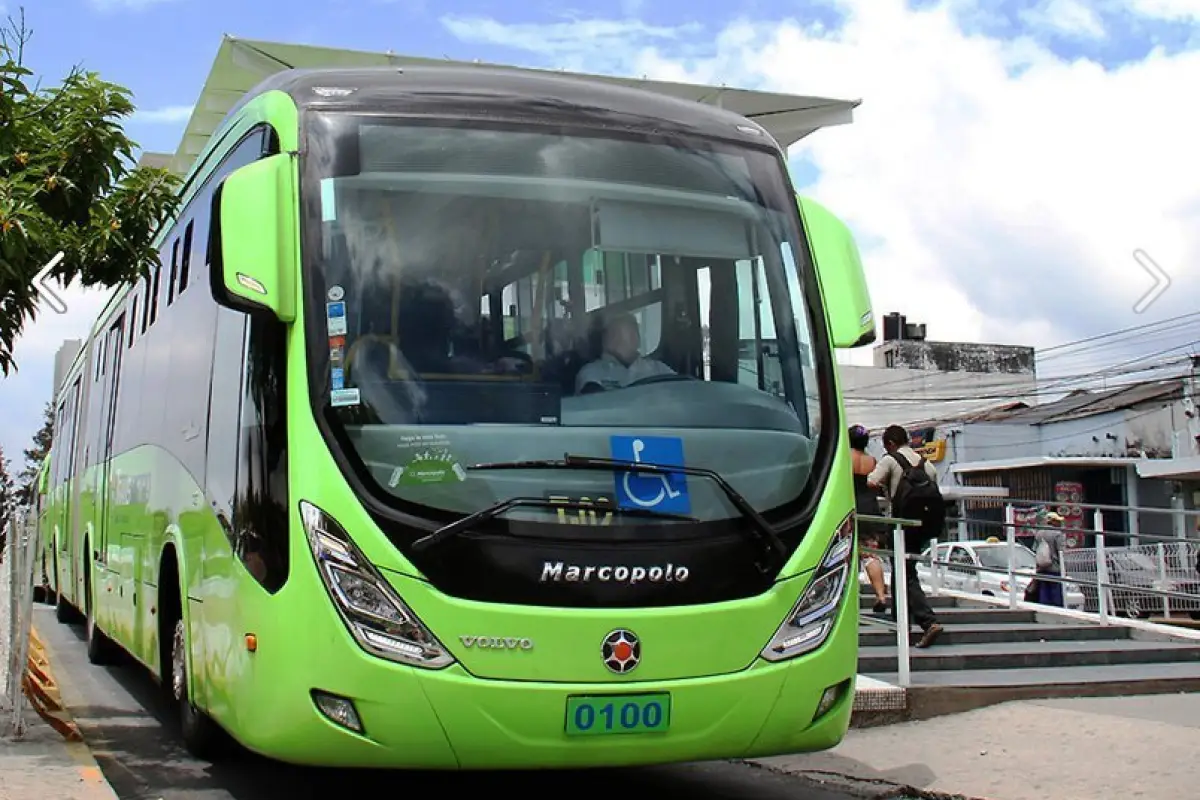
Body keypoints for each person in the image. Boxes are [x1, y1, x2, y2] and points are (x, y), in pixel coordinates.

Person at [867, 424, 944, 648]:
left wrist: (885, 491)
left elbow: (872, 480)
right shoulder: (926, 464)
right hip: (921, 526)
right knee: (904, 568)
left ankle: (928, 622)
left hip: (899, 525)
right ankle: (899, 618)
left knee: (905, 573)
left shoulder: (891, 460)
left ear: (889, 443)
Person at [574, 312, 675, 393]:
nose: (633, 337)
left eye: (634, 332)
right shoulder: (591, 373)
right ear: (607, 339)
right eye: (617, 333)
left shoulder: (658, 368)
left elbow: (681, 389)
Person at [849, 425, 889, 613]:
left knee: (845, 554)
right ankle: (880, 595)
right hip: (870, 509)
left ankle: (848, 597)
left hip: (850, 507)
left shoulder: (845, 458)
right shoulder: (871, 461)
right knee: (871, 555)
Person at [1030, 510, 1067, 607]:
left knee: (1044, 593)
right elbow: (1062, 551)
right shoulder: (1058, 534)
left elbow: (1035, 550)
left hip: (1041, 568)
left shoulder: (1039, 533)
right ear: (1053, 521)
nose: (1059, 523)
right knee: (1056, 595)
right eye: (1057, 521)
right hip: (1054, 568)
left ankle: (1045, 611)